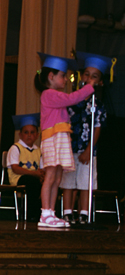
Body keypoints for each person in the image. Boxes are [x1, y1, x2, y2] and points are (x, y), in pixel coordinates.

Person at [34, 52, 94, 228]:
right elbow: (71, 98)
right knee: (51, 175)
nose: (66, 79)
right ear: (51, 76)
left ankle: (51, 212)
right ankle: (45, 212)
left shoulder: (54, 95)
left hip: (60, 137)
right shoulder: (48, 94)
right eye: (63, 76)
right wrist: (89, 87)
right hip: (53, 138)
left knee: (57, 177)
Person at [61, 51, 114, 224]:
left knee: (85, 182)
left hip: (88, 150)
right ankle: (67, 212)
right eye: (87, 74)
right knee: (68, 181)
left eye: (94, 76)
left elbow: (97, 128)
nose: (90, 78)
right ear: (81, 76)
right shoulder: (72, 99)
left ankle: (84, 213)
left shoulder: (98, 105)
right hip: (70, 147)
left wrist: (89, 149)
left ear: (99, 82)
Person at [6, 113, 44, 222]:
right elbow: (15, 168)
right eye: (26, 132)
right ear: (20, 135)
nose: (29, 135)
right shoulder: (15, 148)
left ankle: (45, 214)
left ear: (37, 135)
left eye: (32, 132)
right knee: (32, 182)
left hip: (34, 177)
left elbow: (41, 169)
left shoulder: (38, 151)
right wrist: (35, 174)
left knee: (47, 184)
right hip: (18, 178)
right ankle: (31, 214)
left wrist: (42, 176)